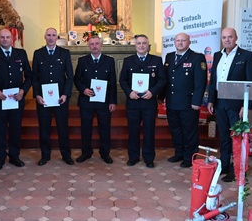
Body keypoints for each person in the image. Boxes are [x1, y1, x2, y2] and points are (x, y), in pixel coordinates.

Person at [207, 27, 252, 182]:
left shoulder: (247, 56)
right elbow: (213, 80)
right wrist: (210, 100)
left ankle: (237, 169)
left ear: (236, 38)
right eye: (224, 37)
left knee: (236, 138)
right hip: (220, 101)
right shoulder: (217, 56)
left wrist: (246, 106)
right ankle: (224, 165)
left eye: (230, 37)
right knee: (223, 136)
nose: (227, 40)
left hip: (236, 104)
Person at [0, 28, 32, 171]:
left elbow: (29, 76)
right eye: (2, 37)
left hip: (17, 99)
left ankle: (15, 156)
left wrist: (23, 91)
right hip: (0, 99)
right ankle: (0, 157)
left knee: (16, 128)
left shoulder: (20, 53)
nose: (5, 39)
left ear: (13, 39)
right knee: (0, 129)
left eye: (7, 37)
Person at [160, 32, 207, 168]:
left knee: (189, 131)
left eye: (183, 40)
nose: (180, 43)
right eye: (177, 40)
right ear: (174, 42)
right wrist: (161, 96)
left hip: (188, 103)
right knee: (175, 129)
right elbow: (167, 80)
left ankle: (189, 156)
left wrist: (197, 102)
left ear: (189, 42)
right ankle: (179, 153)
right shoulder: (169, 57)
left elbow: (200, 82)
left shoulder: (197, 58)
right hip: (172, 101)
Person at [119, 34, 166, 168]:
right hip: (133, 102)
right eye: (139, 43)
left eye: (144, 43)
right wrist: (129, 92)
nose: (141, 45)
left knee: (149, 131)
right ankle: (133, 157)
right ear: (135, 45)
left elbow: (162, 80)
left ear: (148, 45)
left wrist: (152, 92)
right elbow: (123, 80)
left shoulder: (156, 60)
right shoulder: (128, 60)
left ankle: (148, 158)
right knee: (133, 131)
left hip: (149, 103)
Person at [32, 28, 74, 166]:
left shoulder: (65, 53)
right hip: (43, 99)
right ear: (44, 37)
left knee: (63, 127)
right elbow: (35, 77)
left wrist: (65, 94)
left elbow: (69, 77)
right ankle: (45, 155)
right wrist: (37, 95)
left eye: (53, 35)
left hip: (60, 98)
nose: (51, 38)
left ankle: (66, 155)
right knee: (44, 127)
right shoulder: (38, 54)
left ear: (57, 37)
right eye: (48, 35)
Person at [74, 35, 117, 164]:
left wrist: (112, 101)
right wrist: (83, 90)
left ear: (101, 44)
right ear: (89, 46)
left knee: (104, 128)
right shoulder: (82, 61)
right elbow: (77, 79)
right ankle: (86, 152)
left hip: (104, 102)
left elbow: (112, 82)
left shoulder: (109, 61)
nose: (94, 46)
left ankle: (105, 153)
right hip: (87, 101)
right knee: (86, 128)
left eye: (97, 43)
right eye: (92, 44)